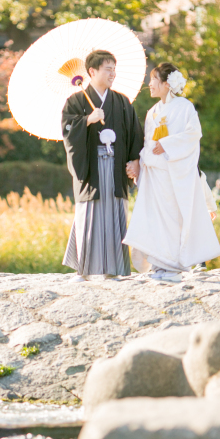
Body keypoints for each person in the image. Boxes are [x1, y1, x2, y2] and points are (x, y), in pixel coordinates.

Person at [123, 63, 220, 282]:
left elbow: (193, 134)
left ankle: (176, 264)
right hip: (155, 173)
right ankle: (159, 264)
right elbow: (148, 142)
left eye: (154, 80)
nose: (150, 85)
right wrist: (142, 160)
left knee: (175, 218)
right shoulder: (152, 112)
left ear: (167, 84)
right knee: (156, 218)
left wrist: (167, 144)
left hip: (175, 174)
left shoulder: (184, 107)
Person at [60, 50, 144, 282]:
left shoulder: (122, 102)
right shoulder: (76, 102)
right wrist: (87, 120)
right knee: (90, 215)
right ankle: (84, 270)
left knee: (114, 213)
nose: (113, 74)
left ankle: (113, 268)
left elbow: (135, 134)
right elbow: (68, 131)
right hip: (92, 167)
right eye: (108, 69)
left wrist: (134, 161)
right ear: (92, 72)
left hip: (116, 166)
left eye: (114, 69)